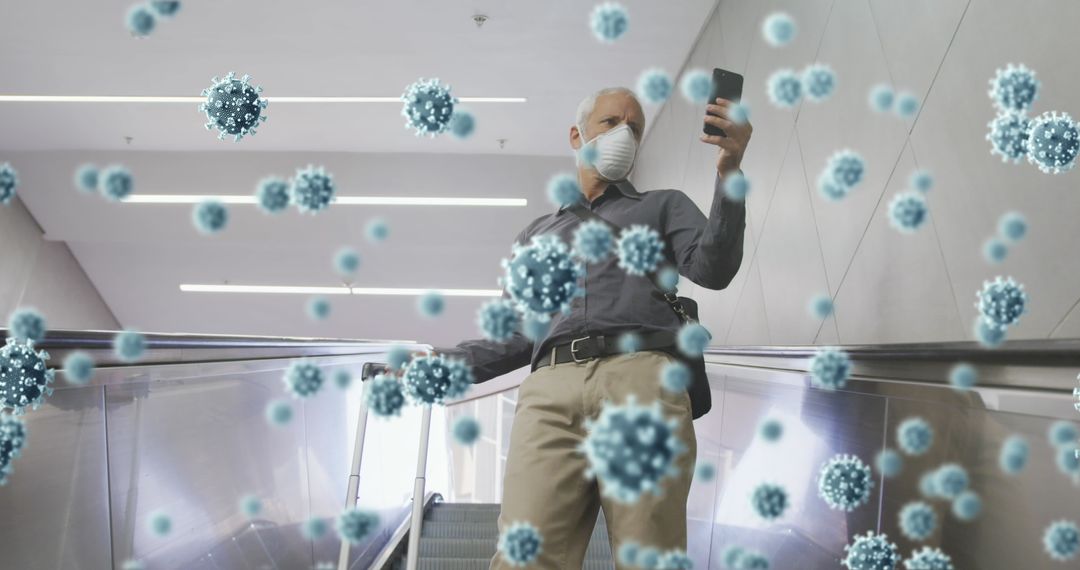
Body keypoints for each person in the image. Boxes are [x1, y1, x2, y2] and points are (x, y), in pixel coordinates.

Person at [433, 86, 752, 569]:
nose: (625, 134)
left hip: (641, 377)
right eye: (611, 122)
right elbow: (517, 336)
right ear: (576, 133)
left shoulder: (662, 205)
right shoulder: (535, 236)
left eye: (636, 128)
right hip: (549, 391)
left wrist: (730, 171)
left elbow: (713, 268)